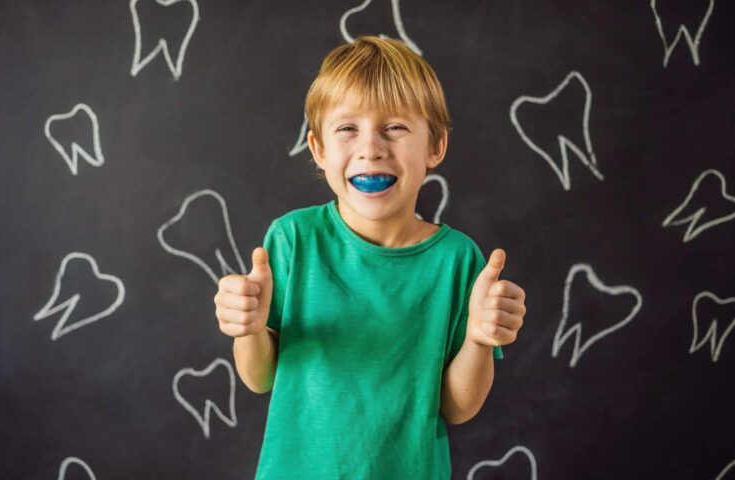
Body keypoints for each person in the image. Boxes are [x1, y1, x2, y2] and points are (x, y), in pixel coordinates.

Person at [214, 35, 526, 479]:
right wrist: (247, 329)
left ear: (435, 146)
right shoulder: (292, 240)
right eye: (347, 128)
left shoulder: (459, 262)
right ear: (319, 150)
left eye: (395, 128)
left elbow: (458, 408)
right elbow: (259, 378)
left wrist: (478, 339)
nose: (371, 148)